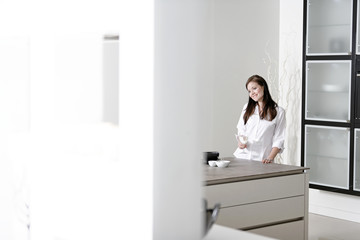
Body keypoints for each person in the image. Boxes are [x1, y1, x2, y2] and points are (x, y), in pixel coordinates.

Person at [233, 75, 286, 164]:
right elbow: (241, 129)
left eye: (254, 88)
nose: (252, 93)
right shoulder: (246, 108)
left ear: (263, 87)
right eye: (249, 91)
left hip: (262, 160)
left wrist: (270, 158)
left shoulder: (279, 112)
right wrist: (240, 142)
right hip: (242, 157)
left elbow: (279, 139)